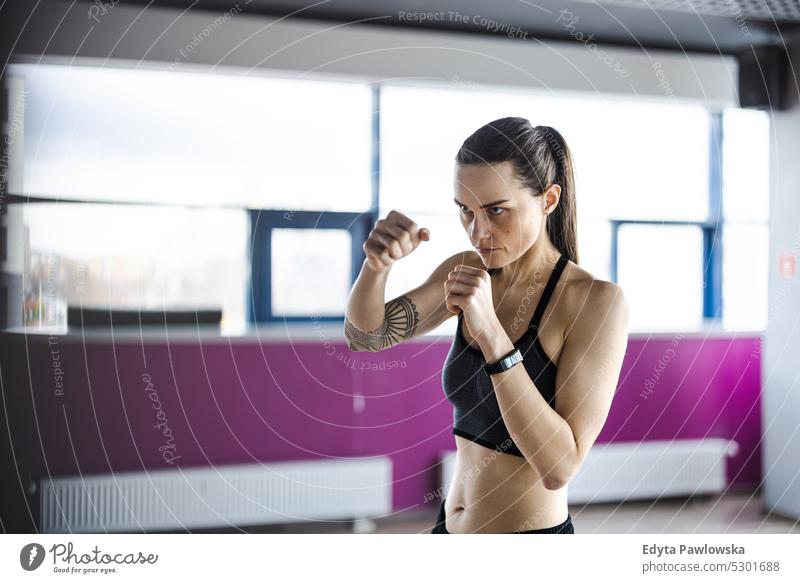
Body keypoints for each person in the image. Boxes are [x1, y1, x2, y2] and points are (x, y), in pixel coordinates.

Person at [344, 117, 629, 533]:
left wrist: (494, 337)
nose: (478, 232)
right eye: (465, 210)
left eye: (496, 210)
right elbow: (363, 338)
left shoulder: (594, 301)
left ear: (548, 200)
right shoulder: (465, 270)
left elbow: (559, 467)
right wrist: (375, 267)